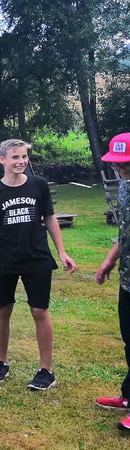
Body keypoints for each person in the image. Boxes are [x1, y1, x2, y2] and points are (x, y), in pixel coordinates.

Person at [0, 139, 77, 391]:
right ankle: (1, 363)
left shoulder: (38, 184)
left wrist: (62, 252)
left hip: (37, 257)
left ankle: (46, 370)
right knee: (2, 309)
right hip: (5, 259)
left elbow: (50, 218)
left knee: (40, 311)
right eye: (15, 157)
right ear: (2, 160)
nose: (21, 162)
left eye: (24, 157)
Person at [94, 132, 130, 433]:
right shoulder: (125, 186)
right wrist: (109, 261)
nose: (120, 170)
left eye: (126, 165)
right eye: (117, 164)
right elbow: (125, 231)